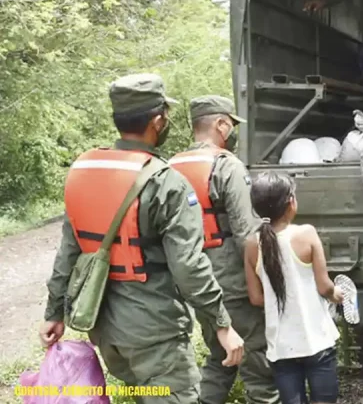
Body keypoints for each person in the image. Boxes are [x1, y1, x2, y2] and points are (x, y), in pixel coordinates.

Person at [39, 73, 244, 402]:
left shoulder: (84, 171)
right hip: (155, 333)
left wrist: (54, 314)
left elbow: (68, 253)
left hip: (105, 331)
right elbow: (189, 267)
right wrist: (222, 324)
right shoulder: (166, 183)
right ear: (159, 120)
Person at [169, 95, 280, 404]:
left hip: (194, 281)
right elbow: (248, 232)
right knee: (258, 359)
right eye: (231, 125)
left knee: (222, 355)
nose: (232, 132)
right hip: (232, 280)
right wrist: (268, 279)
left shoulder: (170, 166)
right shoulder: (225, 165)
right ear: (220, 124)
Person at [244, 172, 344, 404]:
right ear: (291, 202)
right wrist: (336, 294)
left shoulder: (251, 244)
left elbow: (256, 298)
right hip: (316, 340)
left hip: (281, 347)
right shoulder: (306, 234)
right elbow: (324, 286)